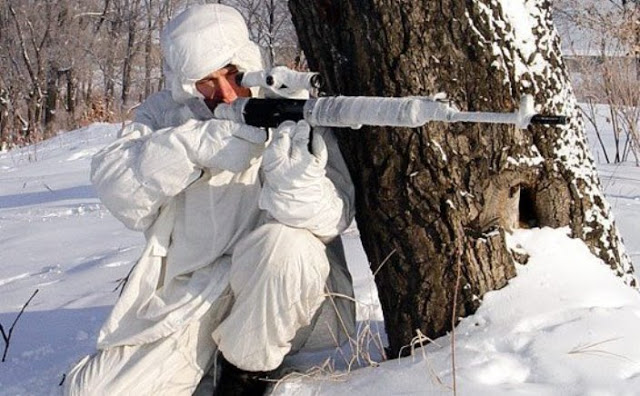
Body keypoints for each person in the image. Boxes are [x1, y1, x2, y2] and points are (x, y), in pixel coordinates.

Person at [63, 4, 356, 396]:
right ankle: (208, 359)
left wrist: (296, 186)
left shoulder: (295, 104)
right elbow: (119, 189)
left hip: (281, 295)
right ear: (186, 85)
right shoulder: (168, 115)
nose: (226, 94)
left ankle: (244, 375)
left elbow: (337, 215)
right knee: (91, 392)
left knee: (288, 246)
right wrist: (193, 148)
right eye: (207, 82)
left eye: (233, 74)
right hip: (196, 294)